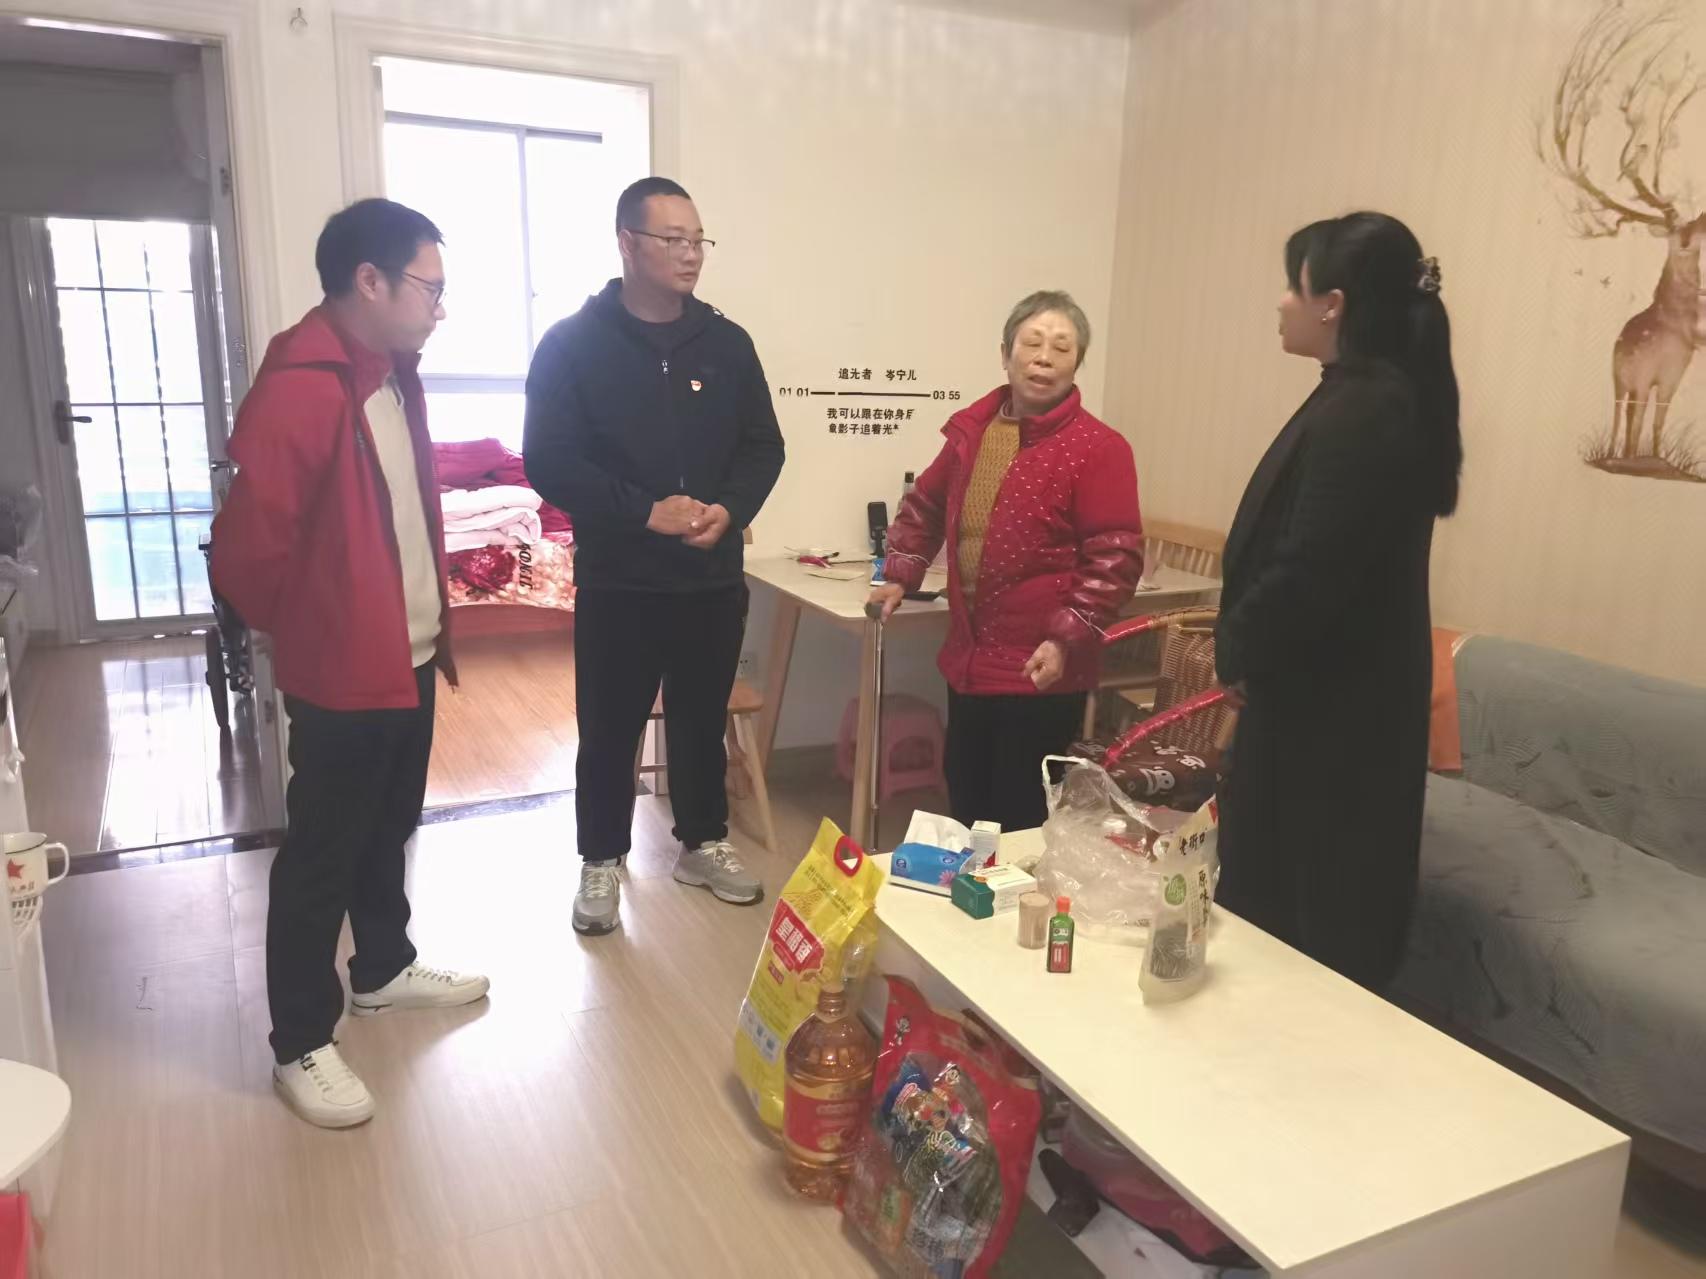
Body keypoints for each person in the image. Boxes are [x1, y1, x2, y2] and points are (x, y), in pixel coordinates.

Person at [211, 199, 489, 1128]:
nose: (440, 306)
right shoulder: (303, 384)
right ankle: (299, 1039)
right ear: (369, 281)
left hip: (408, 654)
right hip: (342, 670)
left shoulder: (393, 375)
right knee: (321, 853)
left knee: (388, 824)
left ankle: (382, 966)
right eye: (429, 287)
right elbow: (247, 552)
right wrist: (315, 630)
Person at [524, 177, 785, 936]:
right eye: (673, 239)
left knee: (701, 721)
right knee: (610, 728)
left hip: (710, 579)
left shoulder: (728, 344)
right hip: (621, 580)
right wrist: (644, 512)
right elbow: (549, 460)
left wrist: (729, 510)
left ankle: (702, 842)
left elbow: (763, 446)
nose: (690, 254)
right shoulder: (573, 344)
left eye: (698, 239)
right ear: (627, 244)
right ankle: (601, 857)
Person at [1214, 211, 1462, 991]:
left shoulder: (1369, 410)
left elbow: (1309, 571)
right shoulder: (1359, 396)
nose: (1282, 302)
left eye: (1295, 286)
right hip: (1321, 698)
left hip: (1333, 717)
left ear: (1334, 305)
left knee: (1305, 923)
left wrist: (1240, 653)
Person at [869, 291, 1143, 833]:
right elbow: (925, 505)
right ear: (1005, 354)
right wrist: (899, 576)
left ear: (1077, 363)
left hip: (1042, 664)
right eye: (1032, 343)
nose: (1044, 358)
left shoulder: (1099, 447)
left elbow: (1115, 556)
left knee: (1020, 814)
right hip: (970, 656)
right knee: (966, 794)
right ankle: (970, 887)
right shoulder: (973, 432)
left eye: (1061, 348)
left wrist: (1064, 639)